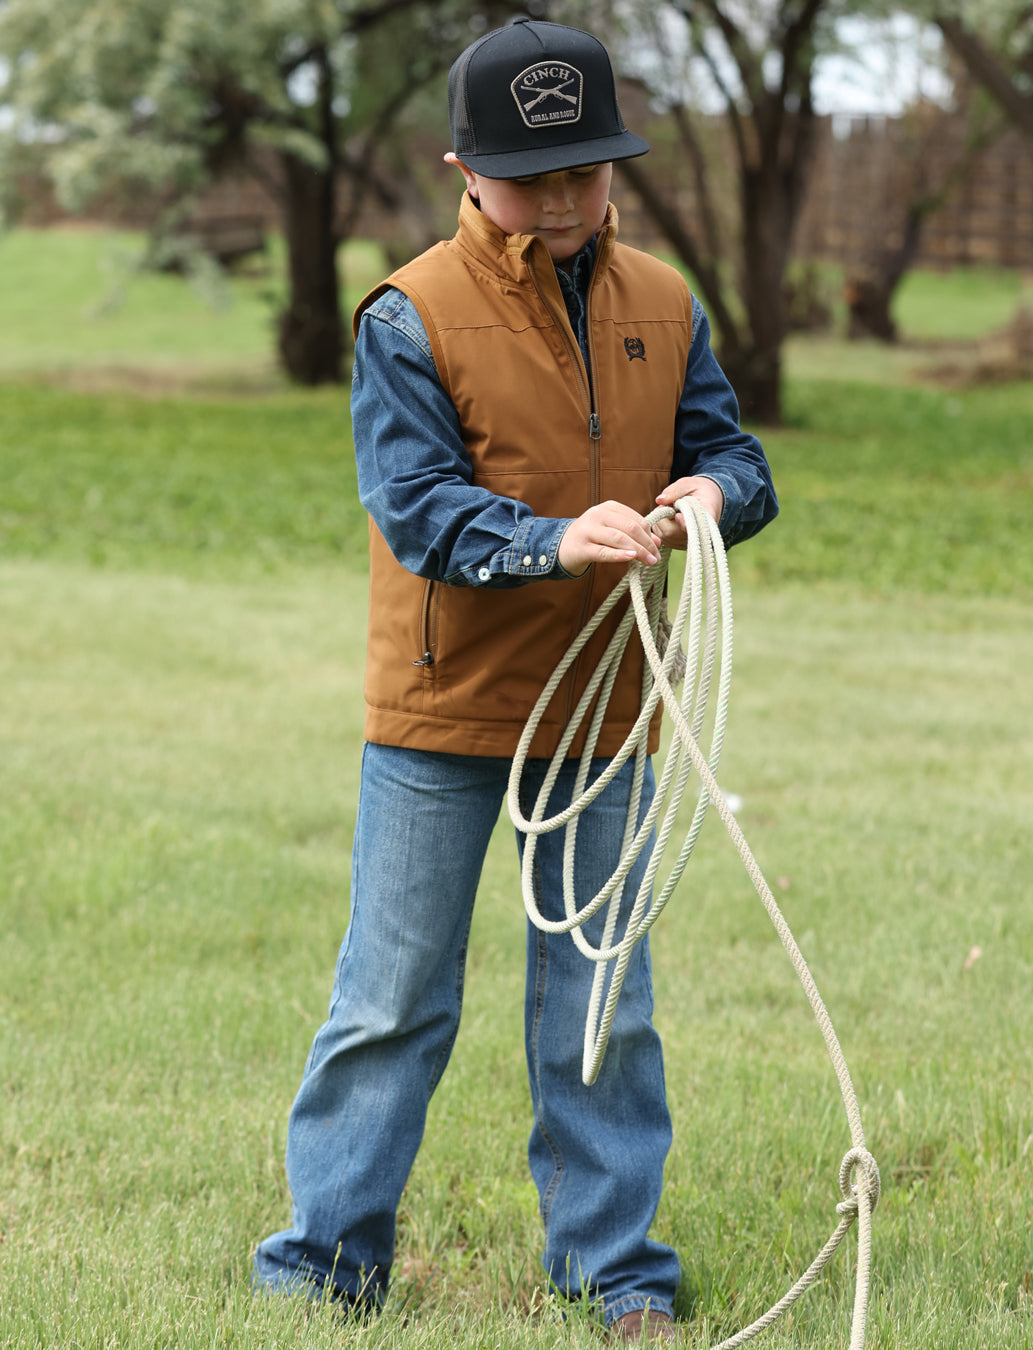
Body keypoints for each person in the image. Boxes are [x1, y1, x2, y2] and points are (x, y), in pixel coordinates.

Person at [254, 18, 778, 1341]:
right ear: (462, 167)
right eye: (531, 174)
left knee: (604, 999)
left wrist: (711, 490)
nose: (560, 199)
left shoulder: (667, 301)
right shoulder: (409, 312)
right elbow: (417, 507)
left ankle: (622, 1277)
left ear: (616, 168)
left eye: (587, 171)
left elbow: (737, 456)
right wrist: (553, 537)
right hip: (445, 709)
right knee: (394, 994)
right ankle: (323, 1262)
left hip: (610, 704)